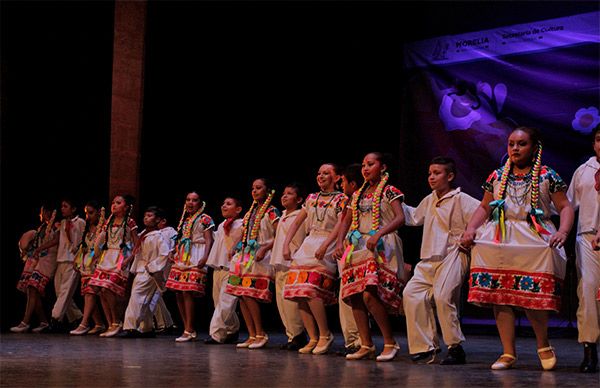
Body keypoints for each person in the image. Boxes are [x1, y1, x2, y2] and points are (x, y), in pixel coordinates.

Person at [460, 126, 574, 371]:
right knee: (499, 295)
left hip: (533, 237)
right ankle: (508, 352)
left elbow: (565, 206)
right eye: (511, 144)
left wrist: (563, 231)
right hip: (501, 236)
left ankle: (543, 344)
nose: (515, 149)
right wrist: (471, 229)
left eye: (521, 144)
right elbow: (484, 207)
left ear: (534, 147)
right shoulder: (497, 175)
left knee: (532, 296)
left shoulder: (547, 176)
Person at [402, 157, 479, 364]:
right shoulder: (429, 199)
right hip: (428, 258)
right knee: (411, 294)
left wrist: (469, 237)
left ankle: (455, 347)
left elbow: (483, 216)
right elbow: (413, 217)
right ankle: (425, 346)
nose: (431, 177)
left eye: (437, 173)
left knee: (443, 296)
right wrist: (394, 201)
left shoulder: (461, 199)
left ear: (450, 176)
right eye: (430, 173)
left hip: (453, 254)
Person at [339, 152, 406, 362]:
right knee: (355, 295)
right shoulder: (358, 194)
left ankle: (389, 342)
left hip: (382, 245)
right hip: (358, 247)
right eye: (364, 165)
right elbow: (347, 219)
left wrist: (378, 234)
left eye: (371, 164)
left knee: (370, 294)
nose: (366, 168)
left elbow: (400, 218)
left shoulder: (389, 191)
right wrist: (341, 241)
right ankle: (366, 344)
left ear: (383, 167)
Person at [282, 164, 345, 355]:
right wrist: (286, 244)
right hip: (309, 244)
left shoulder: (341, 199)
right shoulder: (311, 198)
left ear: (337, 177)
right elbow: (297, 223)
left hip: (327, 243)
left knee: (311, 290)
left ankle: (325, 334)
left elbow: (341, 223)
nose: (321, 176)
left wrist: (326, 245)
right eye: (319, 173)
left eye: (326, 173)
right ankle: (313, 337)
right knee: (298, 292)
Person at [226, 178, 279, 349]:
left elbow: (280, 234)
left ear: (267, 190)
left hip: (261, 255)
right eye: (253, 188)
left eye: (258, 188)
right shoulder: (250, 212)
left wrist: (265, 248)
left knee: (250, 293)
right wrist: (234, 247)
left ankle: (260, 332)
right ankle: (251, 334)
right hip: (245, 255)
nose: (255, 191)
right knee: (241, 294)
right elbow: (245, 234)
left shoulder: (271, 211)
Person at [567, 125, 600, 373]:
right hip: (588, 238)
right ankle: (589, 348)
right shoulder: (584, 171)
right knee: (588, 291)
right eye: (599, 139)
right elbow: (568, 206)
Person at [165, 191, 215, 342]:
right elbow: (181, 238)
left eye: (194, 200)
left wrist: (205, 257)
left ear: (200, 203)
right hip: (183, 255)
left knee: (187, 292)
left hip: (196, 254)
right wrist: (174, 250)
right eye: (188, 200)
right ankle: (186, 327)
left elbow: (209, 240)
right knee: (178, 292)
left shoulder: (205, 219)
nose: (190, 203)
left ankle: (190, 328)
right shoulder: (185, 219)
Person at [88, 194, 138, 338]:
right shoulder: (109, 221)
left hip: (120, 258)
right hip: (106, 257)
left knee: (107, 287)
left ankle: (116, 321)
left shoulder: (130, 222)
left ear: (126, 207)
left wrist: (129, 259)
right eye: (113, 203)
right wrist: (92, 257)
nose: (114, 205)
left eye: (118, 203)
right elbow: (100, 241)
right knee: (99, 289)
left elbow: (137, 243)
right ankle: (111, 324)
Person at [121, 206, 170, 337]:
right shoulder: (144, 233)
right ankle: (147, 327)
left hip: (148, 270)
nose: (146, 218)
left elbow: (165, 254)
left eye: (150, 216)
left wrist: (152, 267)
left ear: (158, 219)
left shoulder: (159, 236)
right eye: (145, 215)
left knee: (137, 297)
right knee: (146, 299)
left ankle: (130, 327)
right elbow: (138, 248)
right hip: (143, 268)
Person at [270, 183, 308, 351]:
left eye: (290, 194)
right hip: (279, 263)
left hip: (293, 262)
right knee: (282, 303)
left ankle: (299, 334)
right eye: (283, 193)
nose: (284, 196)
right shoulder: (283, 215)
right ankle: (291, 334)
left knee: (291, 302)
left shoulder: (302, 215)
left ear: (299, 199)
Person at [10, 205, 58, 333]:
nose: (40, 215)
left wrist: (39, 249)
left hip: (48, 260)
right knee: (31, 290)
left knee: (32, 288)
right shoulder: (41, 228)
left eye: (41, 212)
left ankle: (25, 322)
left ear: (47, 212)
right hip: (39, 259)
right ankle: (43, 321)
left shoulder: (56, 226)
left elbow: (56, 241)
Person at [205, 197, 244, 344]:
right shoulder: (221, 225)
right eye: (223, 203)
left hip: (233, 269)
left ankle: (216, 334)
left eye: (228, 204)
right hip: (219, 268)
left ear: (238, 209)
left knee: (226, 302)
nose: (224, 206)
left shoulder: (242, 225)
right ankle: (232, 329)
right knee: (218, 303)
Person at [333, 163, 363, 355]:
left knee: (357, 292)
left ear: (353, 183)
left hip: (361, 247)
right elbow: (344, 222)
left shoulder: (364, 199)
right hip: (348, 247)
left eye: (343, 181)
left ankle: (361, 339)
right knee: (346, 291)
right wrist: (339, 243)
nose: (341, 185)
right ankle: (351, 339)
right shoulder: (347, 201)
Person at [70, 201, 106, 335]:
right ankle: (98, 323)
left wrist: (93, 257)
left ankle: (84, 323)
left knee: (91, 294)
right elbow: (83, 246)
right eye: (86, 213)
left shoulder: (103, 229)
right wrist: (78, 260)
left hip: (97, 263)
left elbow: (100, 248)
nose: (88, 216)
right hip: (86, 264)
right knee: (87, 293)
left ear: (98, 212)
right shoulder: (87, 228)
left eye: (90, 213)